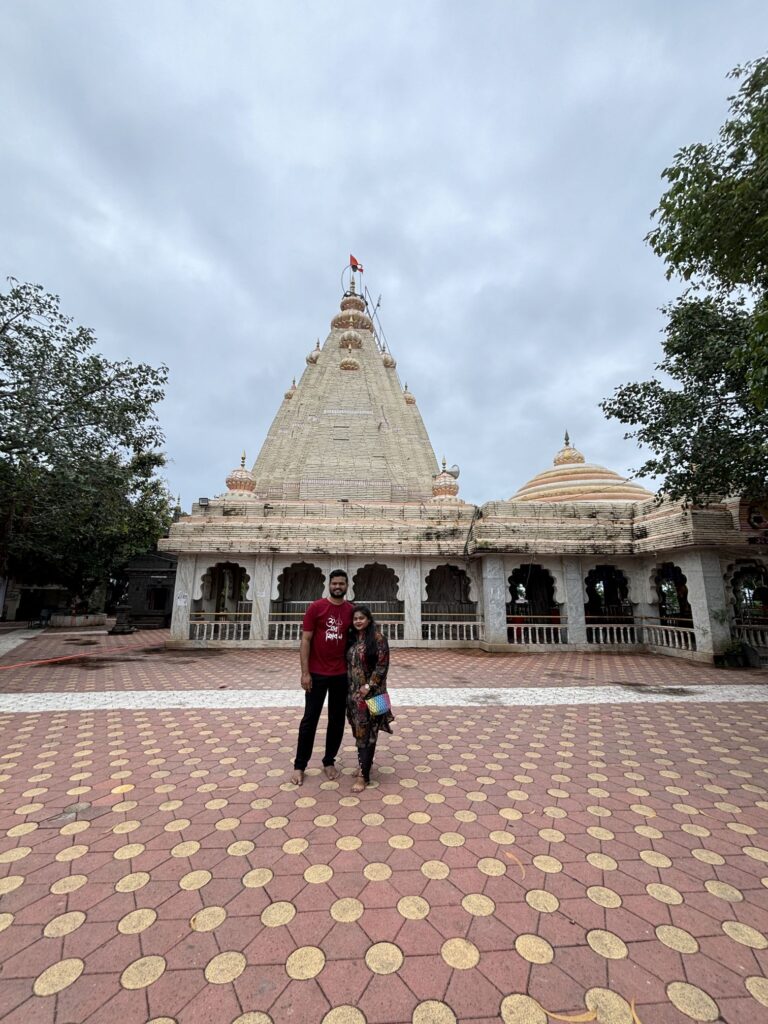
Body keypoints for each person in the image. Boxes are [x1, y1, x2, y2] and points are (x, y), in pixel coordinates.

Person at [291, 569, 354, 786]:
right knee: (310, 719)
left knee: (336, 720)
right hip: (317, 674)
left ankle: (329, 761)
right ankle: (300, 765)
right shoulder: (316, 608)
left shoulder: (350, 611)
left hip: (340, 675)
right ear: (329, 585)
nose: (338, 587)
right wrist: (305, 672)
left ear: (347, 586)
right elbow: (305, 640)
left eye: (341, 584)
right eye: (334, 583)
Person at [346, 605, 394, 793]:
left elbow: (382, 666)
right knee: (359, 731)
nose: (358, 621)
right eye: (355, 618)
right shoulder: (352, 639)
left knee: (369, 732)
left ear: (369, 619)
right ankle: (363, 764)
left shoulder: (378, 639)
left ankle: (363, 776)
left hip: (374, 694)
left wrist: (368, 686)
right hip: (353, 695)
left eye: (362, 618)